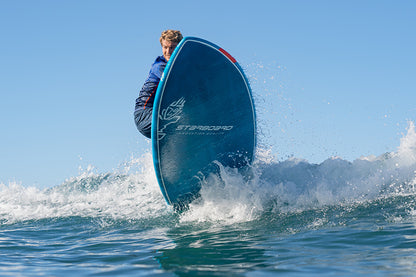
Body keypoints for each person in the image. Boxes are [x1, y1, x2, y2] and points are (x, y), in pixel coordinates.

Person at [134, 29, 183, 138]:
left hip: (159, 112)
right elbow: (177, 85)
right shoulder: (160, 66)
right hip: (144, 114)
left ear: (179, 48)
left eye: (172, 47)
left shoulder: (178, 67)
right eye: (165, 47)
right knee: (185, 117)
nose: (168, 51)